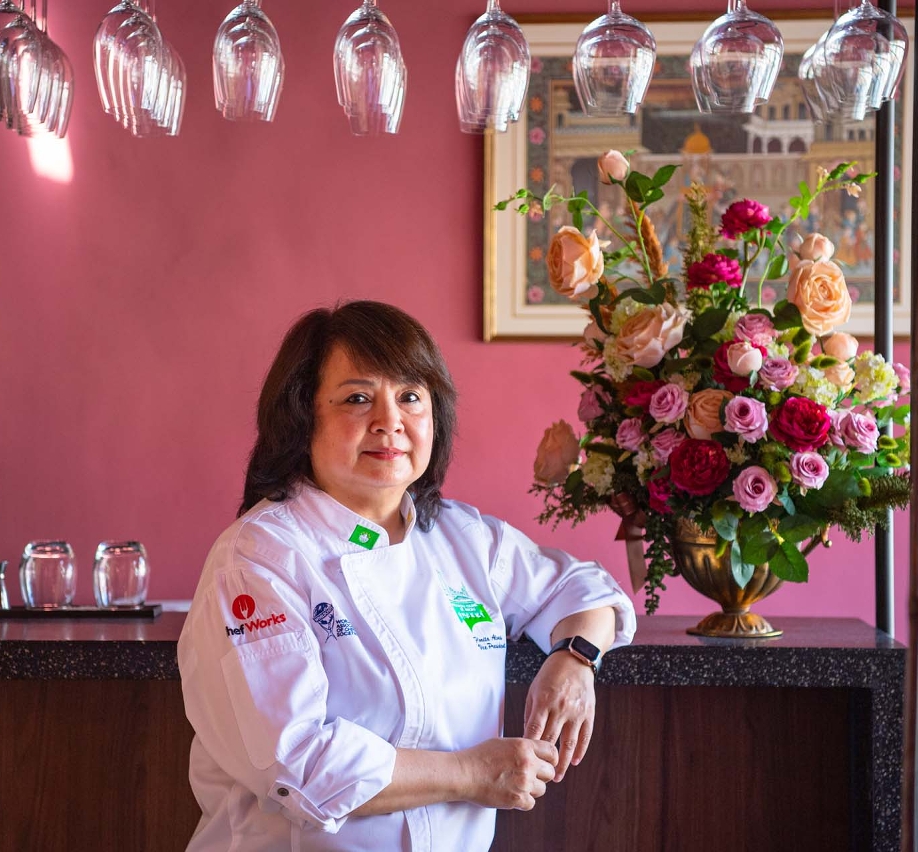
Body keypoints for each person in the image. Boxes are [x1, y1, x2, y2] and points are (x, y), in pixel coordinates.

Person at [177, 301, 635, 852]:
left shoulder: (463, 537)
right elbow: (297, 763)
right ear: (301, 417)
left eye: (411, 397)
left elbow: (584, 591)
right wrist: (471, 774)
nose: (389, 421)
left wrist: (576, 661)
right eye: (357, 398)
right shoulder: (258, 558)